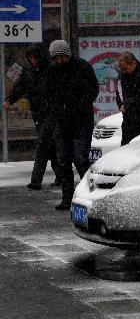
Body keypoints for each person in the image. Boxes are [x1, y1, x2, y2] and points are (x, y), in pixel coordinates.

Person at [43, 40, 99, 210]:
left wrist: (79, 106)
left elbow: (93, 90)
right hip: (60, 123)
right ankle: (67, 198)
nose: (59, 61)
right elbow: (46, 94)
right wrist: (55, 111)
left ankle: (91, 195)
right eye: (56, 58)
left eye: (62, 57)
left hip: (81, 121)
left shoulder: (82, 67)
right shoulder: (51, 72)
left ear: (68, 54)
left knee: (80, 159)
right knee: (63, 161)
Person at [3, 45, 60, 190]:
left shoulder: (51, 70)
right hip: (38, 113)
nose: (33, 60)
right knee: (50, 146)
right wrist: (10, 100)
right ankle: (61, 176)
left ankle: (36, 180)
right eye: (31, 58)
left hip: (51, 113)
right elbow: (19, 87)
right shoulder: (28, 71)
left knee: (42, 145)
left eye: (35, 58)